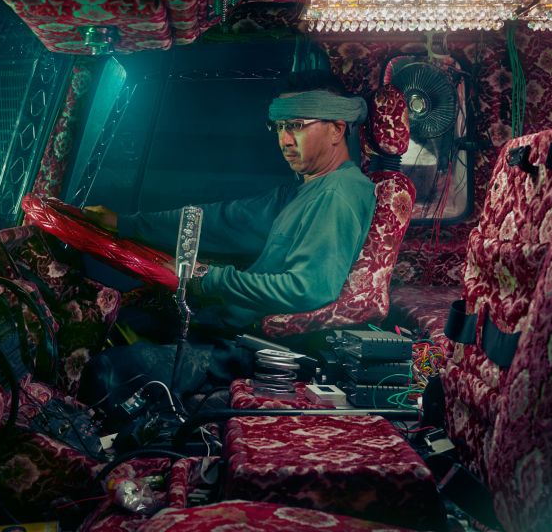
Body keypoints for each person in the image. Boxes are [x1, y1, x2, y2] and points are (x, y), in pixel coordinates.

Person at [77, 78, 376, 402]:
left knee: (108, 370)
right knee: (122, 322)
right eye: (278, 127)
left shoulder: (336, 194)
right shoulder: (302, 190)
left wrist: (206, 278)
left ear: (336, 129)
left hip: (260, 352)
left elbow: (306, 289)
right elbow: (223, 221)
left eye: (296, 126)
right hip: (233, 330)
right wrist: (125, 223)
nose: (284, 140)